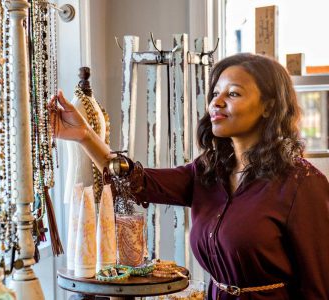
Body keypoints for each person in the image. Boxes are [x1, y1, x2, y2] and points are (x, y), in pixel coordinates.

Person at [48, 53, 329, 299]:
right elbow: (137, 181)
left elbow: (320, 287)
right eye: (215, 93)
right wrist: (85, 136)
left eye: (233, 93)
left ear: (269, 105)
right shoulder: (208, 171)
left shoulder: (302, 184)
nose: (216, 103)